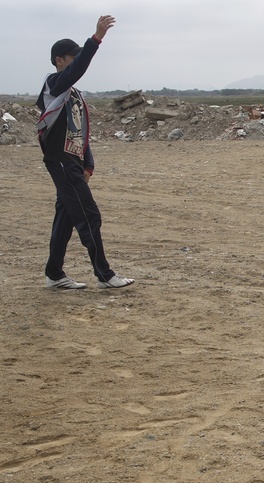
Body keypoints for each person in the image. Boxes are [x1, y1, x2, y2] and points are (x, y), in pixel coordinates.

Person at [36, 15, 134, 290]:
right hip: (61, 161)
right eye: (72, 58)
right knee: (89, 214)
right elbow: (76, 71)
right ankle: (104, 275)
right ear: (59, 60)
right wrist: (95, 39)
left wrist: (88, 165)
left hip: (73, 163)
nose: (75, 62)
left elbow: (80, 131)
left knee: (66, 216)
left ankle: (54, 274)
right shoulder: (53, 86)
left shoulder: (74, 94)